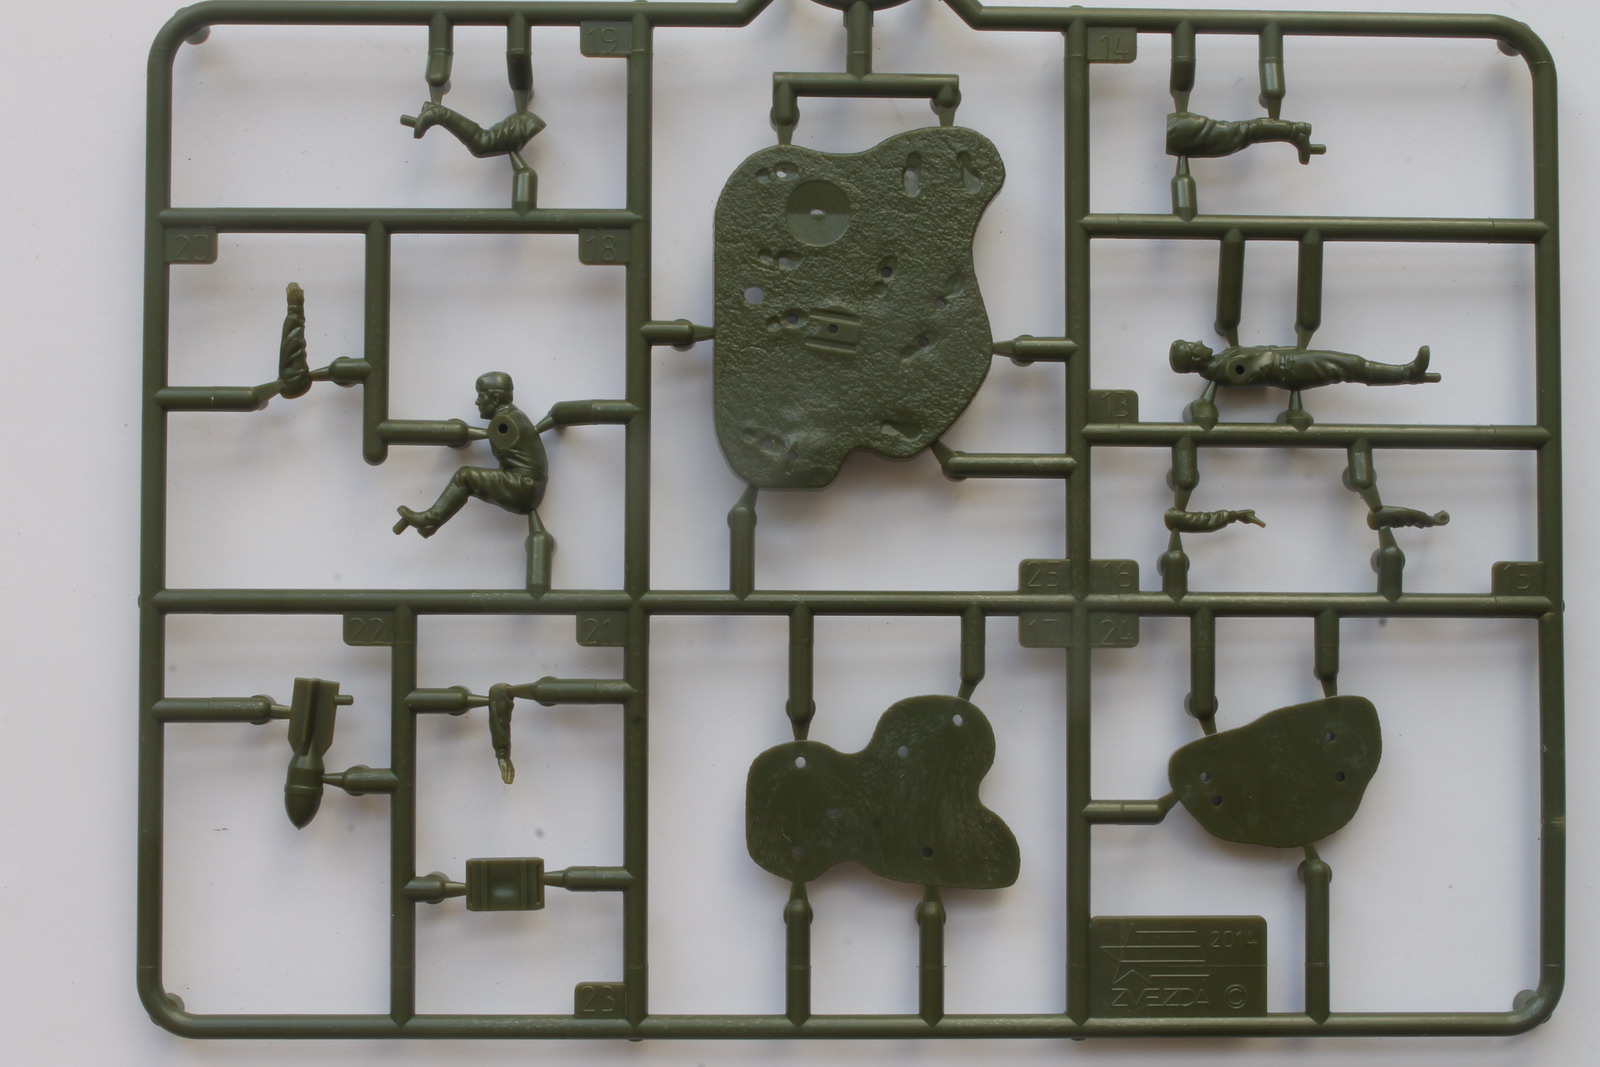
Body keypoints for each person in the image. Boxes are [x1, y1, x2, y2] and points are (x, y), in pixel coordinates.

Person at [393, 372, 547, 538]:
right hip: (529, 488)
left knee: (465, 477)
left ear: (495, 399)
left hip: (523, 487)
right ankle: (431, 524)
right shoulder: (515, 415)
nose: (477, 402)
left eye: (481, 396)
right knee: (466, 477)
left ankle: (430, 520)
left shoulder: (504, 421)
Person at [1169, 340, 1438, 390]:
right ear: (1195, 359)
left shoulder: (1220, 360)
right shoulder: (1223, 370)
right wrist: (1273, 353)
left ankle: (1407, 373)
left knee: (1351, 365)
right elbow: (1258, 364)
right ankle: (1407, 373)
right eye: (1193, 346)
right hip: (1291, 368)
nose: (1199, 342)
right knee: (1351, 366)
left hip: (1291, 361)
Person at [1166, 111, 1324, 165]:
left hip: (1175, 130)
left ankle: (1295, 132)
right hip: (1172, 130)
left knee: (1236, 135)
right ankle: (1295, 131)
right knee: (1238, 133)